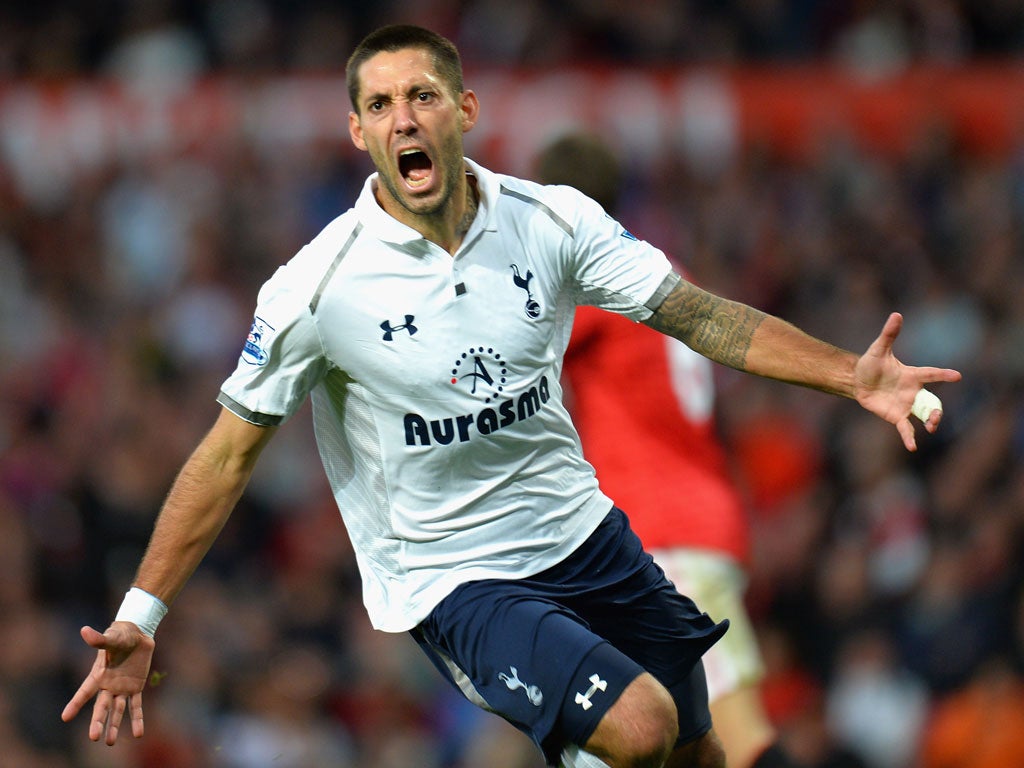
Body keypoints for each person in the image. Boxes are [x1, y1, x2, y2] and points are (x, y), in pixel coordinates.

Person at [62, 24, 960, 768]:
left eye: (420, 96)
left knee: (700, 749)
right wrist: (143, 615)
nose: (402, 119)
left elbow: (696, 315)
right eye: (379, 105)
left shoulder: (551, 221)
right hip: (458, 577)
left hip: (583, 531)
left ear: (464, 110)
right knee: (637, 730)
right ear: (357, 133)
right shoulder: (317, 286)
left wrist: (852, 372)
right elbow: (227, 453)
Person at [533, 131, 806, 768]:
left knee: (725, 739)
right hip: (699, 518)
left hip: (657, 530)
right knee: (689, 739)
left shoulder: (590, 276)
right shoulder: (659, 268)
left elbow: (513, 347)